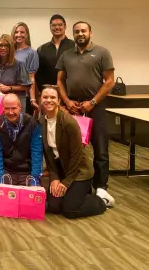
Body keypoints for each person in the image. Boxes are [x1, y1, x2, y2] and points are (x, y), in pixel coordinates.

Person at [56, 21, 115, 205]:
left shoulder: (102, 53)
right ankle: (77, 182)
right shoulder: (66, 55)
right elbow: (59, 81)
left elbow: (109, 81)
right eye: (77, 32)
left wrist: (93, 102)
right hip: (73, 109)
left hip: (95, 108)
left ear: (90, 32)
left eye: (83, 31)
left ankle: (101, 187)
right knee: (74, 148)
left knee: (100, 148)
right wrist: (66, 102)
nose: (80, 34)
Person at [39, 85, 109, 217]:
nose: (49, 100)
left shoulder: (68, 122)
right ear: (40, 99)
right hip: (62, 170)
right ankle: (79, 194)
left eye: (53, 97)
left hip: (79, 170)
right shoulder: (41, 120)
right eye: (45, 97)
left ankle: (101, 200)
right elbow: (48, 155)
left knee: (70, 210)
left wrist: (65, 183)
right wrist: (54, 178)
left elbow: (77, 156)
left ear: (59, 101)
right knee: (54, 206)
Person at [0, 94, 42, 191]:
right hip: (7, 171)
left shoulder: (32, 123)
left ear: (20, 107)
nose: (10, 112)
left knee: (32, 200)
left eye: (14, 108)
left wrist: (35, 181)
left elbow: (37, 153)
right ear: (3, 108)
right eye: (7, 108)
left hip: (27, 171)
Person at [0, 34, 32, 110]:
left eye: (6, 45)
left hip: (13, 107)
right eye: (0, 45)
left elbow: (27, 86)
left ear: (11, 48)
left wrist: (9, 88)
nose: (3, 48)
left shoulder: (19, 65)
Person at [35, 14, 75, 92]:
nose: (57, 27)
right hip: (48, 93)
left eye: (60, 25)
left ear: (65, 26)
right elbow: (38, 74)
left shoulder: (74, 46)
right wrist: (40, 92)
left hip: (70, 93)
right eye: (54, 25)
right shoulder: (41, 49)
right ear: (50, 27)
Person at [11, 22, 39, 113]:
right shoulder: (8, 51)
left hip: (23, 95)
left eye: (22, 32)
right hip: (8, 94)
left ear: (27, 35)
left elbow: (31, 77)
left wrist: (33, 99)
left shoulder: (32, 52)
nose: (19, 35)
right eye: (16, 32)